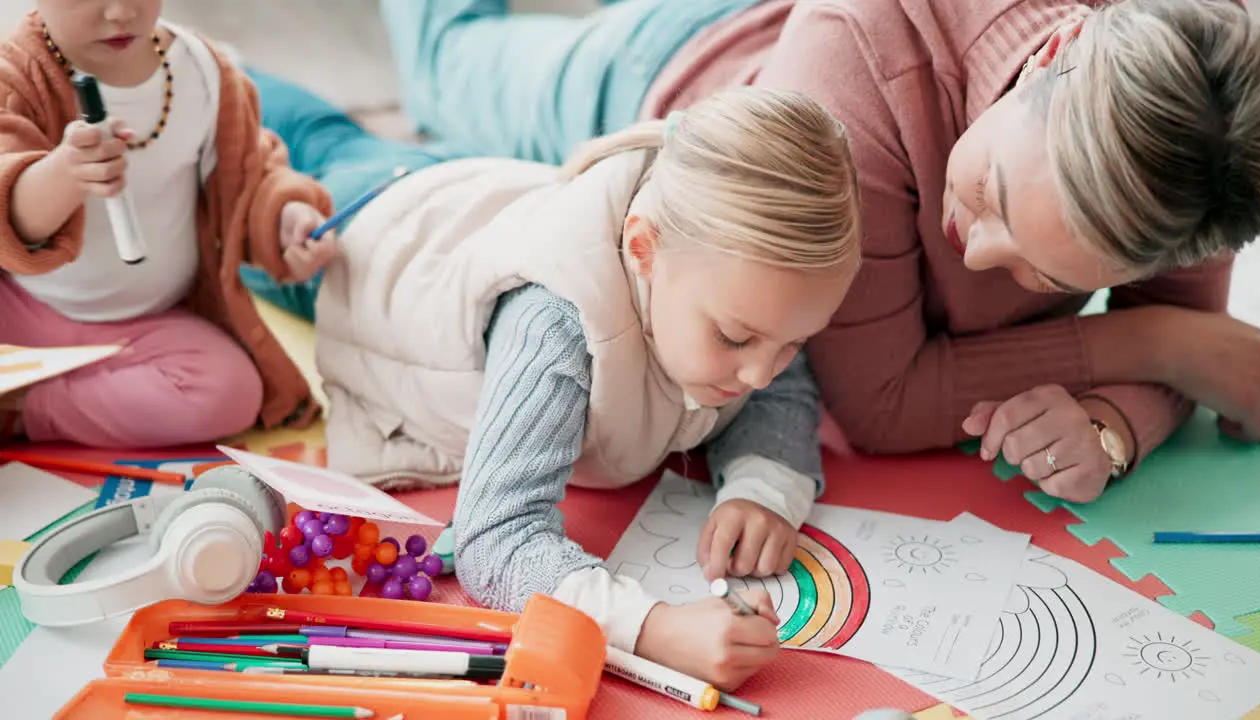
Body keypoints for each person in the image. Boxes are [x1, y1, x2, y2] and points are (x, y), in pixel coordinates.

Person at [374, 0, 1260, 504]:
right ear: (1058, 45)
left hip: (786, 44)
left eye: (1048, 276)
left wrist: (1115, 426)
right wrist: (1157, 350)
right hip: (670, 73)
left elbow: (1202, 338)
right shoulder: (861, 84)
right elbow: (878, 402)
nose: (976, 253)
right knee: (448, 65)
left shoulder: (1182, 148)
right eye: (995, 196)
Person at [243, 70, 861, 690]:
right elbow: (496, 539)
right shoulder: (556, 322)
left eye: (794, 342)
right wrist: (652, 628)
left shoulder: (733, 286)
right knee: (227, 173)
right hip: (362, 238)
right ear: (643, 252)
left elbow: (783, 387)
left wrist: (764, 487)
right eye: (734, 338)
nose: (760, 373)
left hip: (461, 197)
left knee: (335, 137)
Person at [0, 0, 338, 448]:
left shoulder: (202, 73)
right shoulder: (16, 73)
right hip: (20, 308)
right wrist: (64, 175)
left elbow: (251, 178)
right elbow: (11, 216)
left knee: (231, 392)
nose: (120, 12)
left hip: (148, 325)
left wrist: (286, 220)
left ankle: (23, 411)